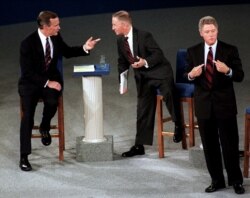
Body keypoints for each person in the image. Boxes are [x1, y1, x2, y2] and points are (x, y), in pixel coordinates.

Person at [18, 10, 100, 171]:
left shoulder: (55, 37)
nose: (59, 28)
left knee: (52, 101)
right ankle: (24, 156)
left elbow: (67, 52)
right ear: (45, 26)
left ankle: (44, 126)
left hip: (51, 81)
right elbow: (27, 72)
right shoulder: (27, 43)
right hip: (31, 84)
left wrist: (85, 47)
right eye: (56, 25)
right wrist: (47, 82)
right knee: (27, 117)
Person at [111, 10, 184, 157]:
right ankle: (139, 146)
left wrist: (144, 61)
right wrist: (122, 83)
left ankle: (178, 125)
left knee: (169, 93)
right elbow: (122, 62)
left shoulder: (144, 36)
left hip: (159, 73)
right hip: (143, 77)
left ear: (124, 25)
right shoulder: (120, 40)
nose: (112, 28)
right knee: (143, 110)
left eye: (114, 24)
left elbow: (158, 54)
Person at [186, 16, 245, 194]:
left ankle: (236, 181)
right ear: (201, 33)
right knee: (210, 146)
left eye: (213, 31)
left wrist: (228, 71)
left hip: (224, 104)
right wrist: (191, 74)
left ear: (217, 31)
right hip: (204, 105)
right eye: (207, 32)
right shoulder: (193, 51)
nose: (210, 35)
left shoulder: (230, 50)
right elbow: (184, 76)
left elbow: (240, 76)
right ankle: (217, 181)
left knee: (230, 144)